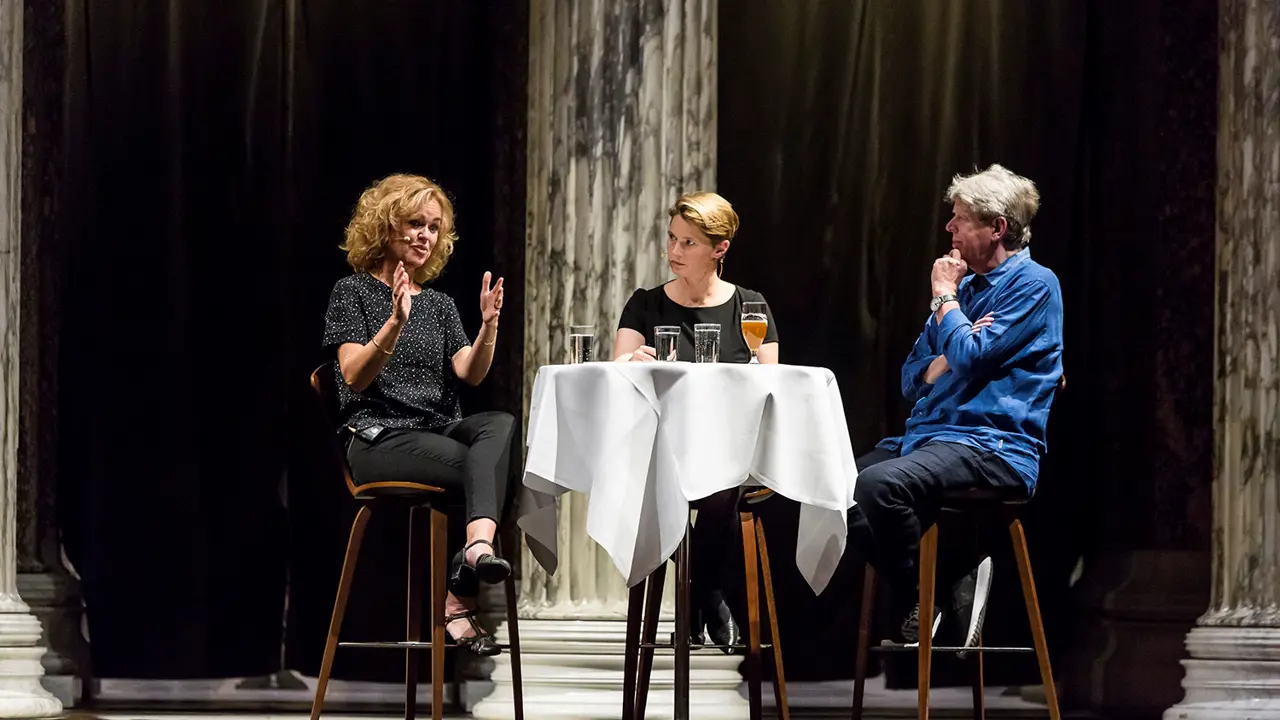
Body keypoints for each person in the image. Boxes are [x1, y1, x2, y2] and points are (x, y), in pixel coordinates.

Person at [851, 164, 1063, 647]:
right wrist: (950, 349)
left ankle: (925, 599)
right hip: (930, 438)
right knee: (833, 490)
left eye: (961, 218)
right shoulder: (968, 292)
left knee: (878, 484)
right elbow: (911, 376)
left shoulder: (1034, 285)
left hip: (991, 444)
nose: (949, 227)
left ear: (997, 227)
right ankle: (945, 587)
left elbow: (969, 357)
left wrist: (945, 302)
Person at [322, 173, 514, 656]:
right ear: (385, 226)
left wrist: (488, 326)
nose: (426, 235)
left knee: (501, 426)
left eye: (433, 227)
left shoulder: (441, 304)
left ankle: (475, 550)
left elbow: (470, 373)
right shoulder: (352, 292)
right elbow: (353, 376)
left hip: (436, 431)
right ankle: (462, 597)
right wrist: (394, 323)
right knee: (491, 467)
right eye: (415, 223)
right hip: (377, 438)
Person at [612, 191, 779, 652]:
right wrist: (631, 361)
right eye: (672, 238)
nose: (674, 251)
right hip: (660, 450)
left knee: (725, 476)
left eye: (688, 243)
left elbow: (771, 385)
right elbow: (617, 368)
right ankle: (708, 592)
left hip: (732, 450)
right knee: (707, 480)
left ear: (719, 249)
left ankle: (697, 591)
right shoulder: (646, 304)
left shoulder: (750, 306)